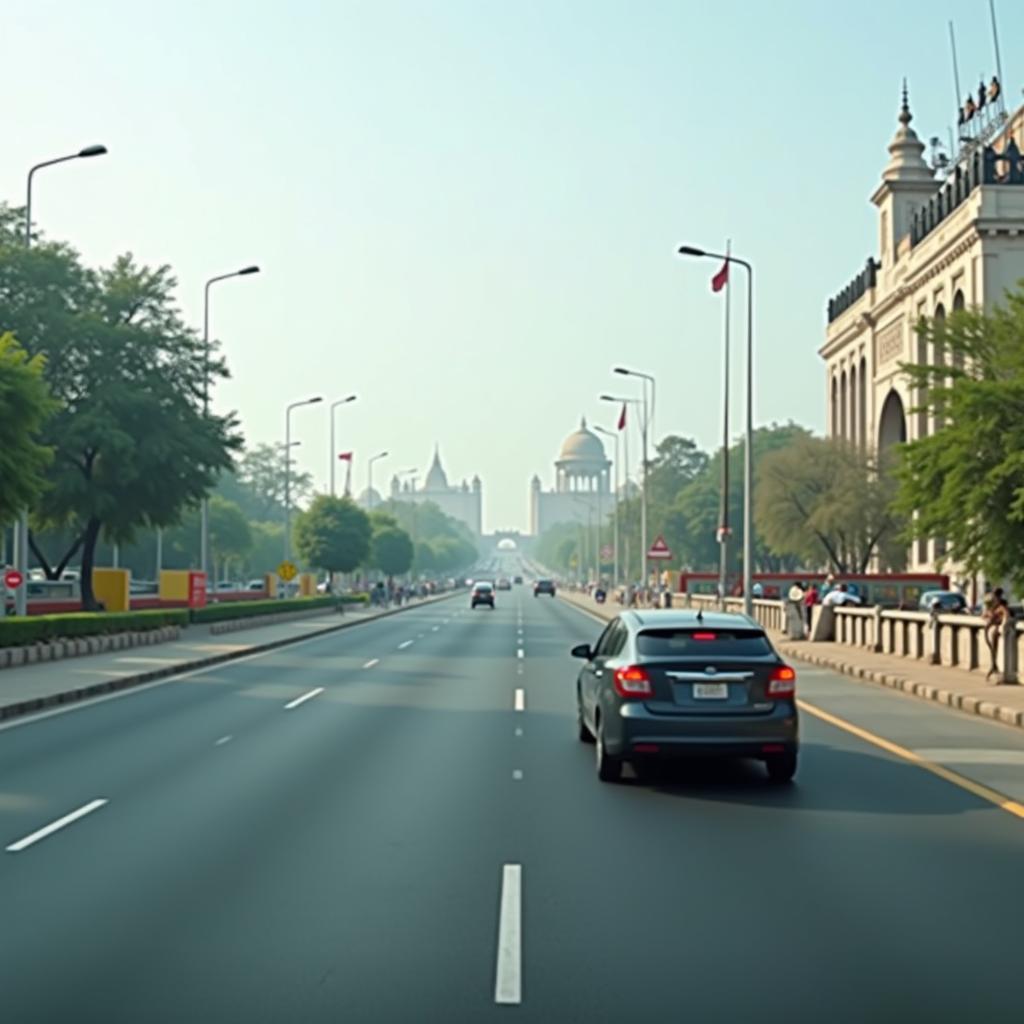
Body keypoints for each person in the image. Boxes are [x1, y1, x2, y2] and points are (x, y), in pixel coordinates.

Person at [983, 587, 1011, 681]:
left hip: (998, 630)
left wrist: (1002, 624)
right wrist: (988, 617)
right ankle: (993, 666)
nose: (995, 597)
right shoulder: (993, 605)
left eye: (996, 595)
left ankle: (994, 667)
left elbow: (1006, 614)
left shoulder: (1002, 605)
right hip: (992, 628)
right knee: (992, 647)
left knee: (994, 647)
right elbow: (984, 615)